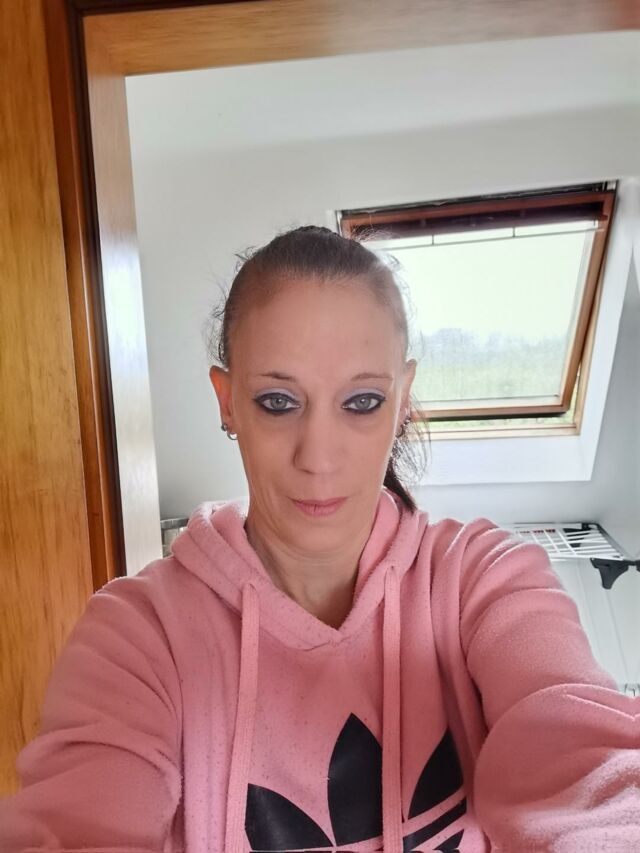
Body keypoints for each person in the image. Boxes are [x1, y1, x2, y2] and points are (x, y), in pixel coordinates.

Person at [1, 226, 638, 853]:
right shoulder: (138, 636)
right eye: (279, 402)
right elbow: (77, 825)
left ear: (403, 400)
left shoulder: (485, 580)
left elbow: (582, 766)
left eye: (362, 402)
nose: (319, 459)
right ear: (227, 402)